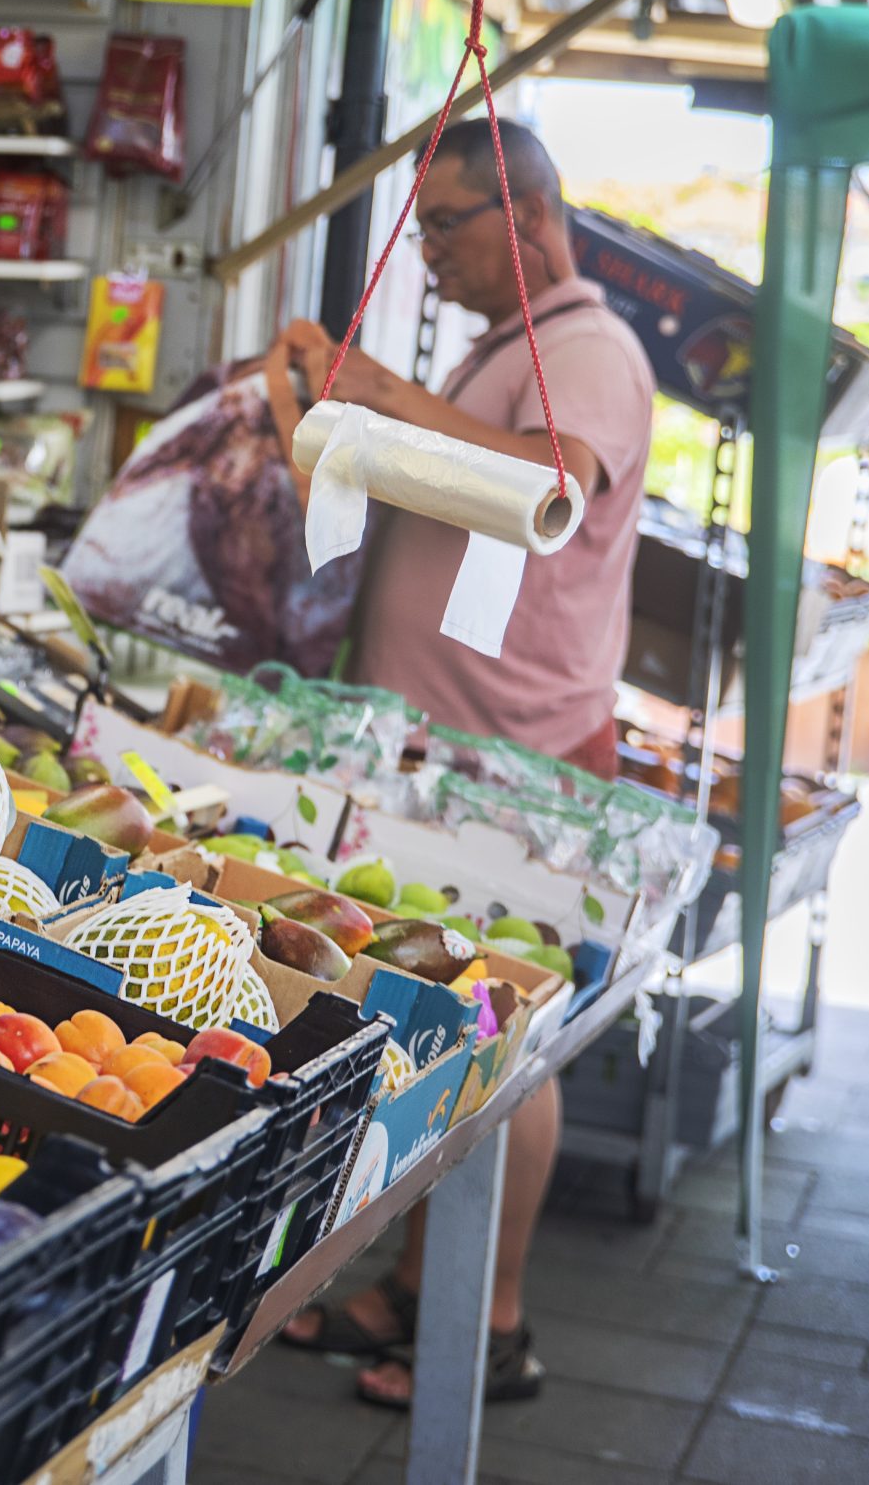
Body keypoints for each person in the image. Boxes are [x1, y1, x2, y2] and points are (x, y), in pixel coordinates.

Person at [271, 117, 655, 1408]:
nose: (424, 254)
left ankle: (491, 1328)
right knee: (441, 1015)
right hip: (439, 751)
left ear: (529, 217)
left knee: (504, 1036)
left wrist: (378, 398)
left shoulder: (586, 350)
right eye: (418, 230)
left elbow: (554, 482)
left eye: (444, 225)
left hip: (513, 759)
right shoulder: (507, 351)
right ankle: (411, 1290)